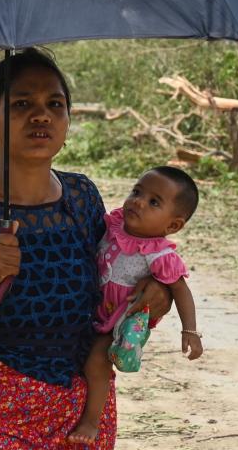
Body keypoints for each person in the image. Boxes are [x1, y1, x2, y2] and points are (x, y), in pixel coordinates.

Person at [0, 48, 172, 449]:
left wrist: (159, 291)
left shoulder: (82, 197)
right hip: (0, 402)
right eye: (22, 103)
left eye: (54, 104)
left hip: (85, 405)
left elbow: (118, 278)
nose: (41, 115)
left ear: (67, 120)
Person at [68, 166, 204, 445]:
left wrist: (190, 331)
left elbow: (181, 290)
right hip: (90, 309)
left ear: (173, 225)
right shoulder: (114, 225)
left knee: (97, 362)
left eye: (154, 202)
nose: (138, 202)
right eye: (137, 192)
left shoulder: (159, 254)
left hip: (118, 319)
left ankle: (91, 421)